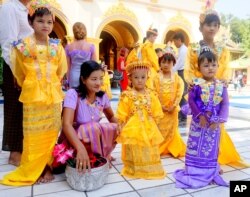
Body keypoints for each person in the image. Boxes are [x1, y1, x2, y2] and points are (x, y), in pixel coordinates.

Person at [0, 1, 67, 185]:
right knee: (33, 132)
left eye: (49, 22)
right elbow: (19, 70)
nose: (45, 25)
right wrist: (30, 84)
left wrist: (50, 83)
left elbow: (61, 70)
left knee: (51, 129)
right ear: (32, 23)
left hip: (51, 95)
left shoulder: (56, 46)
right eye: (40, 21)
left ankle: (47, 164)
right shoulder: (23, 47)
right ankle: (34, 166)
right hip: (32, 95)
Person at [184, 9, 247, 167]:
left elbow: (224, 69)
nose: (212, 28)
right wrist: (194, 82)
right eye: (208, 25)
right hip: (200, 93)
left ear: (218, 28)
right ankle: (197, 161)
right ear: (201, 27)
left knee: (217, 127)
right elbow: (189, 69)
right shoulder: (193, 48)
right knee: (199, 125)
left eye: (215, 25)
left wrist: (220, 84)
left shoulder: (223, 49)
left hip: (217, 92)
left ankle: (214, 160)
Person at [174, 47, 229, 189]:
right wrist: (199, 116)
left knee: (210, 149)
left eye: (213, 65)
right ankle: (193, 171)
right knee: (195, 147)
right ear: (199, 67)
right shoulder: (196, 84)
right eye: (206, 65)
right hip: (198, 124)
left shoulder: (222, 86)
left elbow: (225, 104)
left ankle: (211, 170)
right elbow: (191, 101)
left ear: (218, 66)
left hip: (214, 125)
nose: (210, 68)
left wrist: (219, 121)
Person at [62, 60, 117, 172]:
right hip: (77, 141)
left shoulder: (102, 97)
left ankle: (102, 155)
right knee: (91, 127)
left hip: (93, 140)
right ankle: (86, 155)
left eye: (101, 78)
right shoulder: (73, 94)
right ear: (83, 80)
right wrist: (80, 148)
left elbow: (111, 117)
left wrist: (121, 127)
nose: (98, 83)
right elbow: (66, 125)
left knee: (112, 126)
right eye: (94, 79)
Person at [116, 60, 165, 179]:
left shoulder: (151, 94)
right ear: (130, 78)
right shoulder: (127, 95)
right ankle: (134, 168)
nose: (140, 80)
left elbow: (156, 110)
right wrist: (120, 123)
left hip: (149, 125)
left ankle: (148, 167)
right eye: (136, 77)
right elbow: (122, 111)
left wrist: (157, 124)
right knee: (134, 147)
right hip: (133, 127)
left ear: (147, 77)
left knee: (148, 147)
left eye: (143, 77)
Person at [0, 0, 34, 166]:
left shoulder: (25, 9)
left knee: (25, 108)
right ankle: (14, 154)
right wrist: (16, 70)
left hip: (26, 67)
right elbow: (8, 42)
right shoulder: (9, 7)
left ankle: (22, 148)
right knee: (15, 108)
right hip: (15, 66)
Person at [153, 48, 186, 158]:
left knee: (172, 129)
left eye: (169, 62)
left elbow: (179, 92)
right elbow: (153, 93)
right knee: (160, 129)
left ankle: (172, 147)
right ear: (160, 64)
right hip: (159, 109)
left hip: (172, 110)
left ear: (173, 64)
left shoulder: (177, 78)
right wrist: (160, 106)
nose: (166, 64)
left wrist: (174, 105)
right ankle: (161, 147)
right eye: (163, 62)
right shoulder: (155, 78)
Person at [65, 22, 97, 88]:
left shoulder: (69, 47)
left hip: (73, 76)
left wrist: (67, 80)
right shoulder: (91, 46)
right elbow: (94, 66)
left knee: (74, 96)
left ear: (74, 32)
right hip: (86, 76)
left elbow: (68, 67)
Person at [173, 32, 188, 124]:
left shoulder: (183, 50)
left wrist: (171, 71)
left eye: (175, 42)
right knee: (181, 93)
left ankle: (183, 115)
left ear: (179, 40)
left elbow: (179, 64)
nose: (175, 44)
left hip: (182, 73)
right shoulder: (181, 50)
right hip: (180, 72)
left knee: (182, 94)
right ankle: (182, 115)